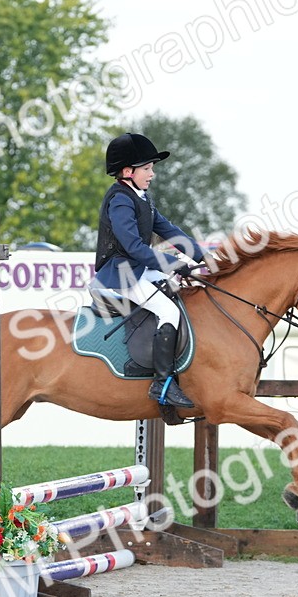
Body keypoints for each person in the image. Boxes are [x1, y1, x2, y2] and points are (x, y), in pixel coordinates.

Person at [93, 133, 206, 409]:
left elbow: (169, 230)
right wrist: (174, 264)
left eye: (152, 168)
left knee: (180, 290)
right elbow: (133, 247)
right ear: (128, 172)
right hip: (120, 274)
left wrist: (204, 258)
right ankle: (162, 383)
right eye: (147, 168)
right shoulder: (120, 200)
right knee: (169, 311)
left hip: (136, 269)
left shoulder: (142, 197)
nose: (152, 174)